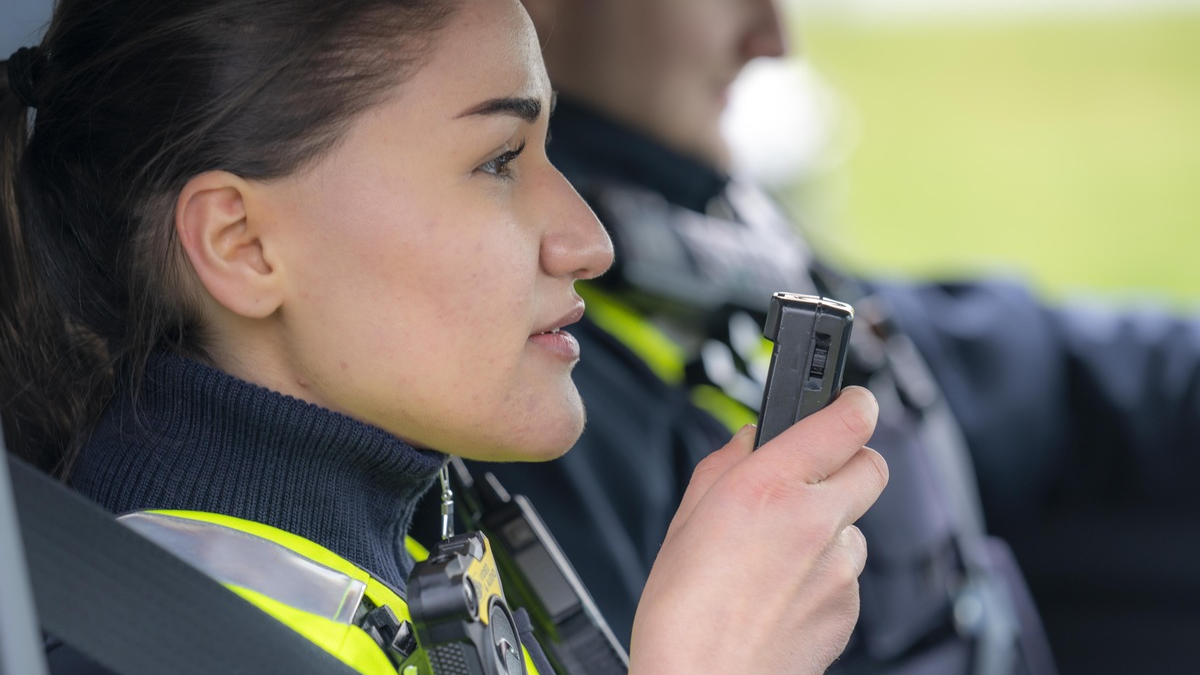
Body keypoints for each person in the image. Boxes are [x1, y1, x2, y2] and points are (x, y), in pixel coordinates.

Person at [0, 0, 892, 674]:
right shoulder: (152, 641)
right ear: (243, 244)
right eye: (500, 161)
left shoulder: (425, 531)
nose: (588, 240)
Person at [460, 1, 1200, 674]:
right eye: (499, 160)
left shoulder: (702, 225)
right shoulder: (525, 398)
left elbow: (1023, 370)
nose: (774, 40)